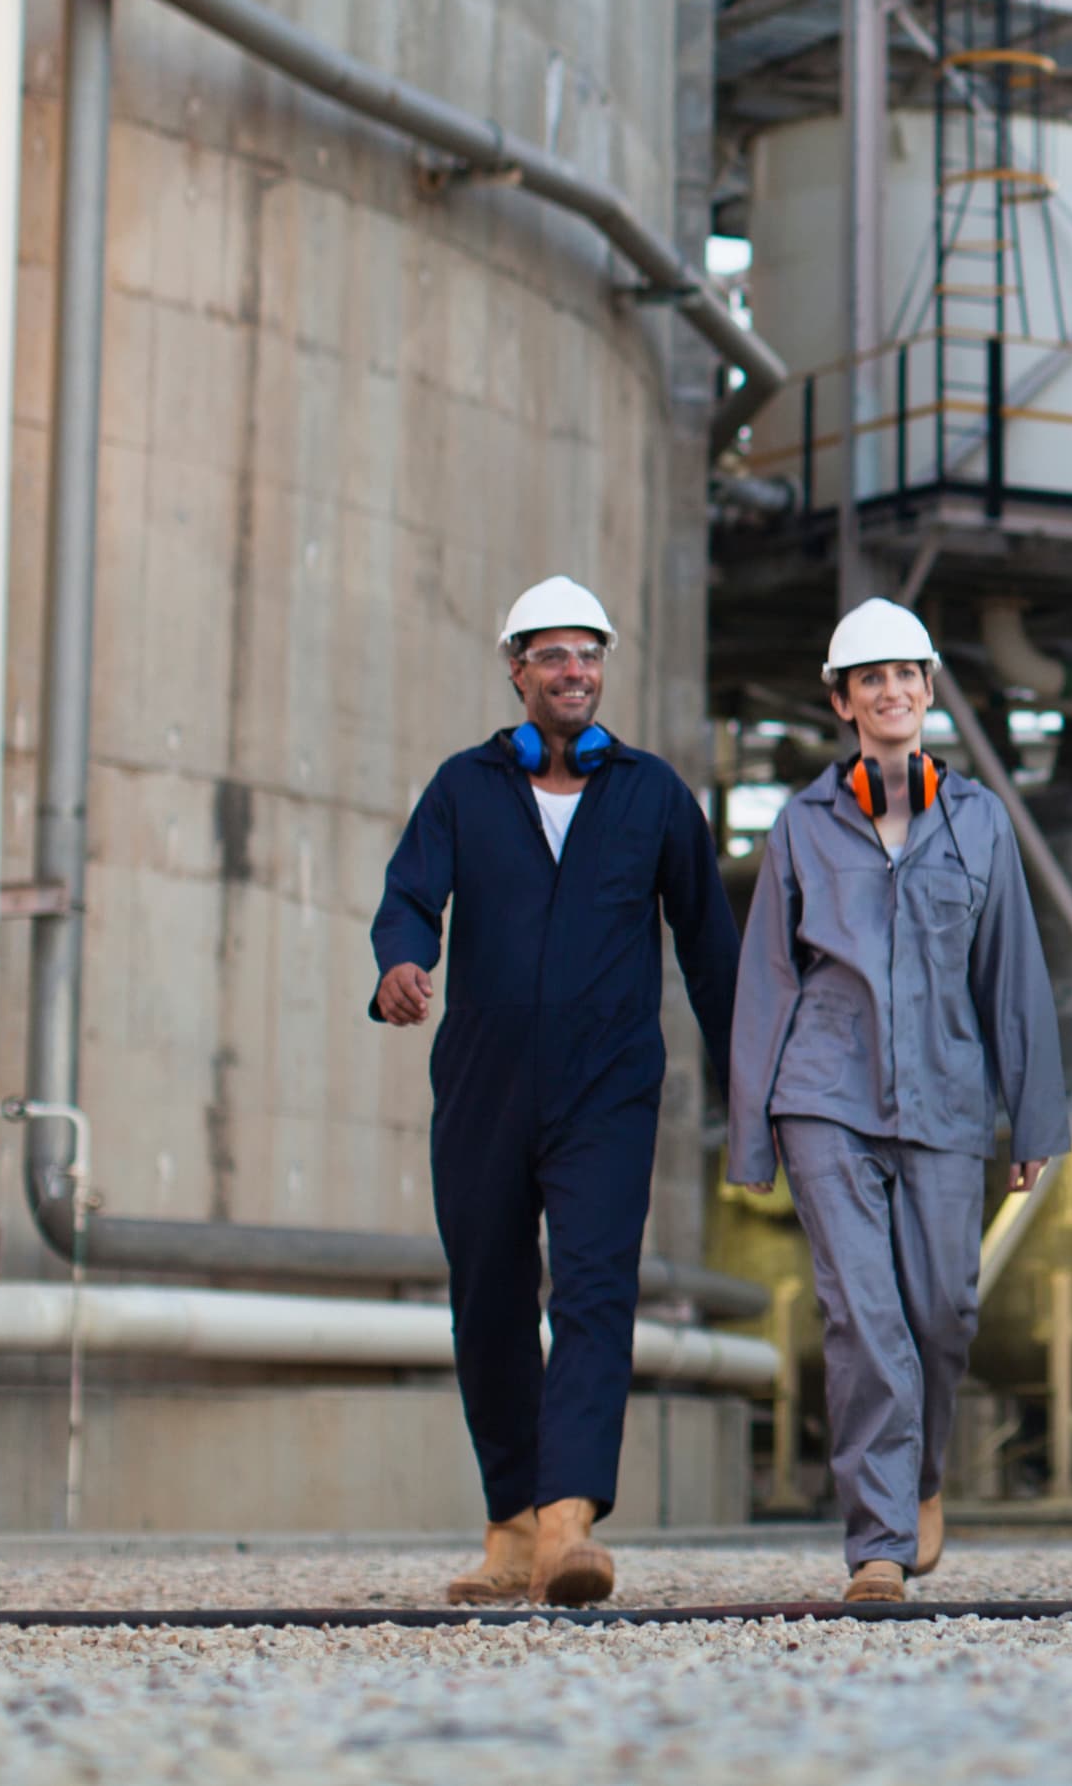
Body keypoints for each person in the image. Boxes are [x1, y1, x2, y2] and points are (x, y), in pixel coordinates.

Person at [371, 574, 736, 1608]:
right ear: (516, 669)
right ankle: (512, 1525)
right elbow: (407, 896)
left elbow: (711, 948)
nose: (574, 671)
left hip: (609, 1086)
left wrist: (748, 1078)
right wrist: (400, 962)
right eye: (553, 654)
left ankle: (571, 1517)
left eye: (589, 654)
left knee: (592, 1290)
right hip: (485, 1082)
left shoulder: (655, 795)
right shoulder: (462, 788)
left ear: (603, 669)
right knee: (487, 1298)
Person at [730, 598, 1069, 1604]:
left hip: (947, 1101)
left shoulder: (979, 821)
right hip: (824, 1098)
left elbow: (1013, 970)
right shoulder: (801, 825)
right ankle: (876, 1543)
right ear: (842, 700)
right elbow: (766, 982)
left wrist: (1033, 1114)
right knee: (864, 1315)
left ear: (927, 692)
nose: (891, 691)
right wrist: (752, 1130)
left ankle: (918, 1476)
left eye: (906, 675)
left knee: (942, 1310)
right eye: (869, 677)